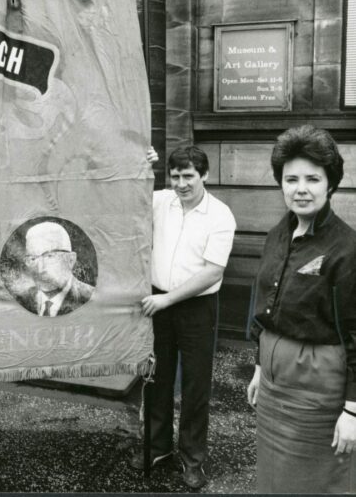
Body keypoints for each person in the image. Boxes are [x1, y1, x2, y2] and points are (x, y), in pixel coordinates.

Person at [246, 125, 356, 493]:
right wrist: (260, 367)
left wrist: (353, 411)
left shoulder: (347, 248)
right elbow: (263, 302)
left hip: (318, 391)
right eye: (291, 179)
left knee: (317, 482)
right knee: (274, 479)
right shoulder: (278, 232)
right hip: (274, 386)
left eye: (312, 178)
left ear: (330, 184)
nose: (301, 188)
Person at [129, 145, 236, 489]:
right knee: (156, 378)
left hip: (196, 308)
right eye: (175, 176)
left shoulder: (220, 215)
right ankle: (158, 447)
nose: (181, 183)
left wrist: (167, 301)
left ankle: (192, 459)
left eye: (188, 175)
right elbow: (131, 193)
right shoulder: (161, 201)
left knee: (195, 385)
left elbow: (211, 273)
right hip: (157, 301)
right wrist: (143, 165)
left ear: (204, 175)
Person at [15, 221, 94, 317]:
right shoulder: (19, 301)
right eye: (33, 259)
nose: (40, 269)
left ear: (70, 260)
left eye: (49, 256)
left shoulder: (93, 298)